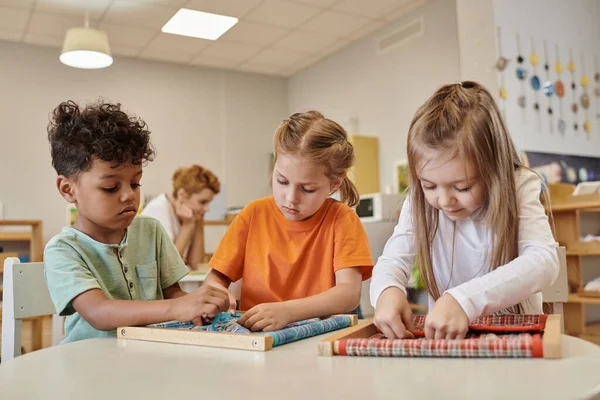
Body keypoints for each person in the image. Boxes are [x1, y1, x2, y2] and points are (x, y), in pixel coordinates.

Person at [370, 81, 559, 340]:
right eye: (429, 185)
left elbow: (543, 261)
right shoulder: (419, 199)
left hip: (515, 340)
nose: (445, 199)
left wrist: (465, 300)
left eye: (462, 186)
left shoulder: (518, 186)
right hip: (449, 345)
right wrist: (386, 289)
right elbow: (393, 260)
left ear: (492, 170)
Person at [44, 100, 231, 343]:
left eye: (135, 183)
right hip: (90, 366)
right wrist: (180, 307)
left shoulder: (151, 230)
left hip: (149, 355)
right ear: (68, 189)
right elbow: (99, 312)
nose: (129, 195)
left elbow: (173, 294)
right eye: (110, 187)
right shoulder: (63, 249)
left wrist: (202, 305)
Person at [204, 111, 374, 331]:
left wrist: (287, 311)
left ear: (334, 185)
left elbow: (349, 294)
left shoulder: (342, 220)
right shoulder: (252, 214)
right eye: (282, 181)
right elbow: (214, 279)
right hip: (257, 336)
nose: (291, 198)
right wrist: (218, 293)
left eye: (307, 189)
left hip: (316, 337)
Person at [142, 165, 220, 266]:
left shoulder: (191, 216)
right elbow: (168, 266)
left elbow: (195, 262)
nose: (207, 209)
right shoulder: (158, 210)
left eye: (209, 203)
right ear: (182, 195)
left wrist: (198, 223)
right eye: (202, 202)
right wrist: (187, 226)